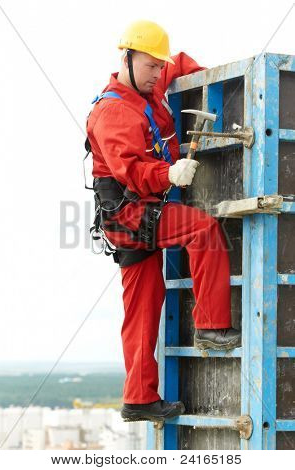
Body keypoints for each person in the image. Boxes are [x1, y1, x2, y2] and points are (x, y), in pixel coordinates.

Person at [86, 20, 241, 423]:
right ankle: (211, 326)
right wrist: (168, 175)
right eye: (151, 66)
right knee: (204, 230)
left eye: (160, 66)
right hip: (130, 212)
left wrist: (216, 80)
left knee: (143, 305)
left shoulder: (151, 79)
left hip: (140, 211)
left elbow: (182, 64)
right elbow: (132, 170)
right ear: (127, 58)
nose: (158, 74)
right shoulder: (112, 112)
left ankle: (138, 399)